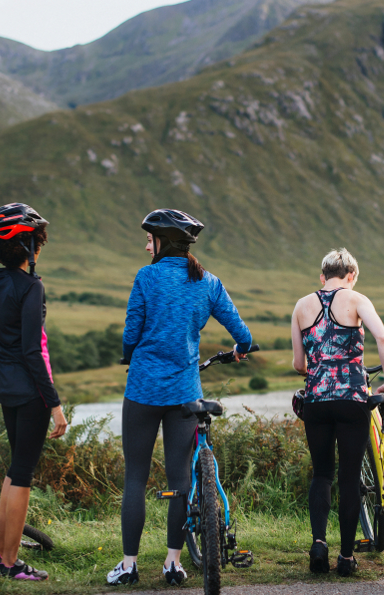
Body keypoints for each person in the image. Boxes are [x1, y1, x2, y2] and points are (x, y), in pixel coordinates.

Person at [106, 209, 253, 587]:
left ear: (163, 242)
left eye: (150, 239)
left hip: (142, 390)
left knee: (135, 478)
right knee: (179, 480)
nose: (146, 245)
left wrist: (128, 353)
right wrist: (240, 348)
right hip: (185, 393)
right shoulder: (209, 282)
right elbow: (243, 334)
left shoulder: (146, 277)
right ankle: (173, 563)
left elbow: (131, 332)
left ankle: (129, 565)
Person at [291, 248, 384, 577]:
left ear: (323, 275)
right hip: (353, 398)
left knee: (322, 473)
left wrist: (321, 366)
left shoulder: (301, 305)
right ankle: (348, 557)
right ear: (351, 275)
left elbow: (299, 364)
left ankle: (319, 544)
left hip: (317, 401)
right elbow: (382, 337)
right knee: (350, 478)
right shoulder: (357, 299)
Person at [0, 203, 68, 581]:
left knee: (14, 470)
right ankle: (10, 562)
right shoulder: (32, 287)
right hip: (31, 393)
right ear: (29, 244)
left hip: (6, 389)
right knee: (23, 476)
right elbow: (33, 351)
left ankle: (0, 555)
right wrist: (55, 405)